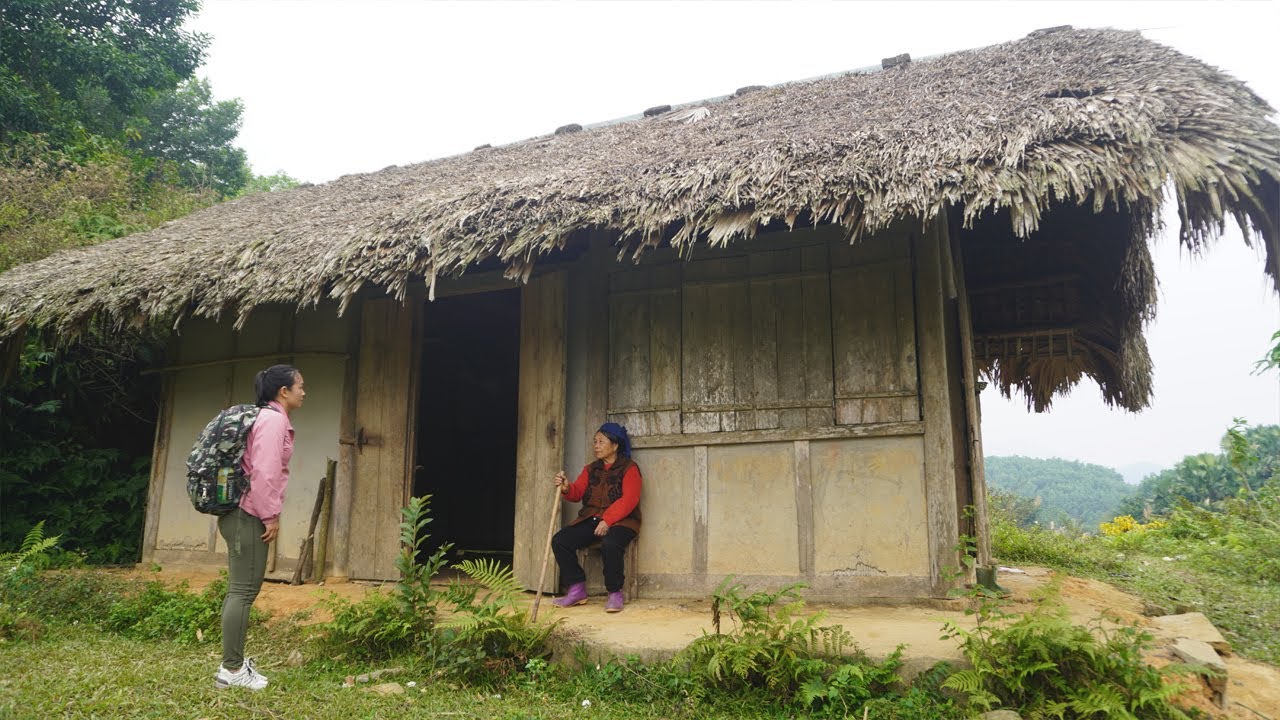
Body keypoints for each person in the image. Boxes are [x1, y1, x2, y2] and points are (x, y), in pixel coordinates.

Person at [215, 365, 305, 691]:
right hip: (248, 515)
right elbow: (265, 472)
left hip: (240, 513)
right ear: (284, 391)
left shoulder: (264, 417)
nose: (304, 392)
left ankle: (233, 666)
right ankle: (232, 669)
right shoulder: (273, 420)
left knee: (240, 590)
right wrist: (270, 516)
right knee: (242, 592)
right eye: (300, 386)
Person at [550, 422, 642, 613]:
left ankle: (615, 593)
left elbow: (630, 499)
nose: (596, 446)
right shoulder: (591, 469)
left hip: (623, 521)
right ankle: (577, 589)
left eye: (601, 442)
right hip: (592, 518)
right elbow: (577, 492)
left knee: (610, 543)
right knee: (561, 540)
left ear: (615, 445)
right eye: (595, 442)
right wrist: (566, 487)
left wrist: (608, 520)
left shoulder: (629, 468)